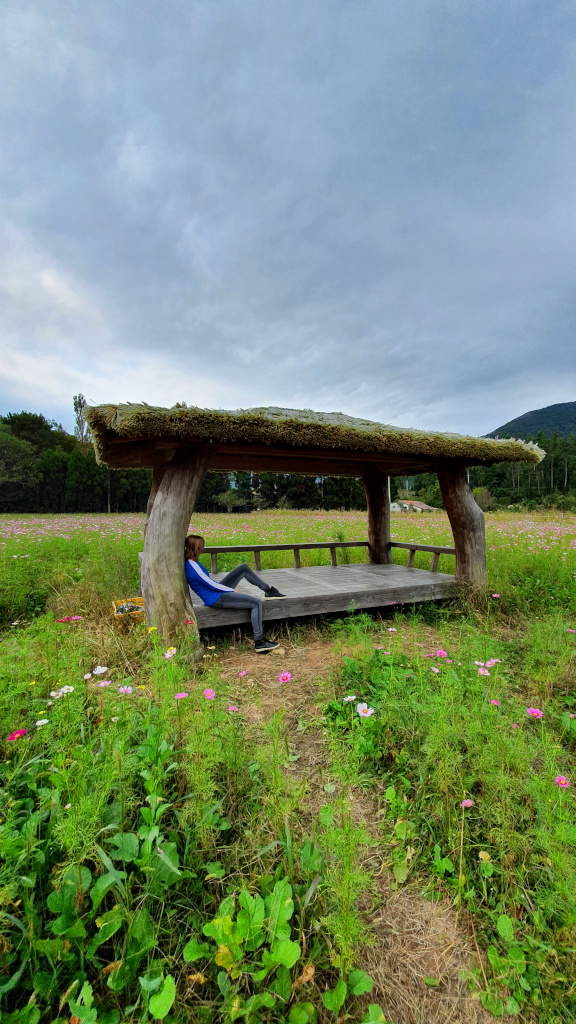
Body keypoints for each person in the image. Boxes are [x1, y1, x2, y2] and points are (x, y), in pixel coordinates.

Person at [184, 534, 286, 653]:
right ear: (196, 548)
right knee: (256, 603)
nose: (203, 548)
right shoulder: (192, 566)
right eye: (202, 546)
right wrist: (230, 590)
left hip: (215, 593)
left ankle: (268, 590)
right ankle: (259, 642)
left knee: (243, 568)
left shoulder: (192, 563)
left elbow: (210, 583)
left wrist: (226, 589)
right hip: (216, 598)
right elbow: (210, 584)